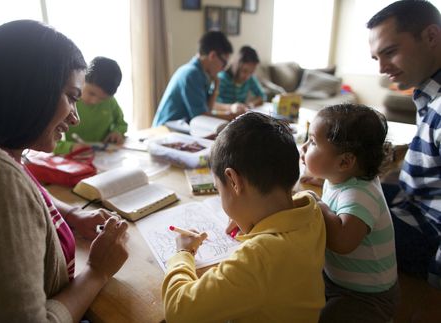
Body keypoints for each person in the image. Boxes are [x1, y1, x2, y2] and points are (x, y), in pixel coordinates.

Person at [0, 20, 128, 322]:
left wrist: (73, 215)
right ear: (28, 89)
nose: (76, 118)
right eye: (71, 97)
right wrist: (97, 272)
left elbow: (26, 197)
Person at [162, 112, 326, 323]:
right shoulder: (311, 211)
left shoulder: (259, 257)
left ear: (233, 180)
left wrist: (183, 253)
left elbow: (178, 310)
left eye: (218, 189)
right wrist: (253, 223)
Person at [300, 104, 399, 323]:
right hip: (337, 280)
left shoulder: (359, 195)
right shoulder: (341, 178)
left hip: (367, 297)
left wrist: (318, 204)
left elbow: (343, 242)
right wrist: (324, 178)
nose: (305, 146)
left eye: (313, 142)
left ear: (344, 162)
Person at [368, 0, 441, 289]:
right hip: (412, 204)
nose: (383, 68)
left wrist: (434, 299)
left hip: (427, 236)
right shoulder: (429, 95)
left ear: (431, 37)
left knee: (323, 226)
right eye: (376, 58)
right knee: (338, 192)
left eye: (390, 52)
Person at [152, 31, 245, 127]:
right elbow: (201, 117)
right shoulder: (192, 73)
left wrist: (216, 86)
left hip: (180, 128)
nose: (223, 69)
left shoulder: (201, 73)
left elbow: (207, 109)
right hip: (165, 131)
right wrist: (233, 116)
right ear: (212, 56)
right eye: (224, 63)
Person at [54, 56, 128, 154]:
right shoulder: (67, 103)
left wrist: (117, 132)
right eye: (91, 93)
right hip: (72, 158)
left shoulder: (110, 102)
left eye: (102, 99)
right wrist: (71, 147)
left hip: (102, 156)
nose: (94, 101)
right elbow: (50, 141)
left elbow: (121, 123)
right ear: (82, 79)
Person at [215, 45, 266, 112]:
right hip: (223, 116)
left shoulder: (250, 78)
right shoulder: (222, 78)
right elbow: (212, 104)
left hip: (239, 116)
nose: (247, 76)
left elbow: (262, 96)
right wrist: (231, 107)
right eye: (244, 71)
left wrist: (250, 105)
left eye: (251, 72)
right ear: (237, 66)